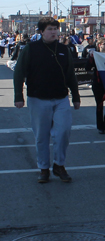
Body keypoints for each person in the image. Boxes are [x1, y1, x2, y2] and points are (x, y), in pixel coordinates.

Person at [13, 17, 80, 183]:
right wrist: (18, 96)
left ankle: (59, 165)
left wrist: (76, 97)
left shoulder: (64, 49)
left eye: (56, 29)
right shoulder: (31, 49)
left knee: (63, 131)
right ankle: (44, 168)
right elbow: (19, 72)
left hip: (61, 98)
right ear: (41, 31)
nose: (54, 32)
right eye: (50, 29)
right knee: (41, 136)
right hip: (38, 99)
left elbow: (71, 74)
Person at [85, 37, 105, 134]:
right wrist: (90, 58)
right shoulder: (95, 55)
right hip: (98, 83)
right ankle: (100, 126)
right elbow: (87, 68)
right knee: (100, 105)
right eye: (104, 43)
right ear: (99, 45)